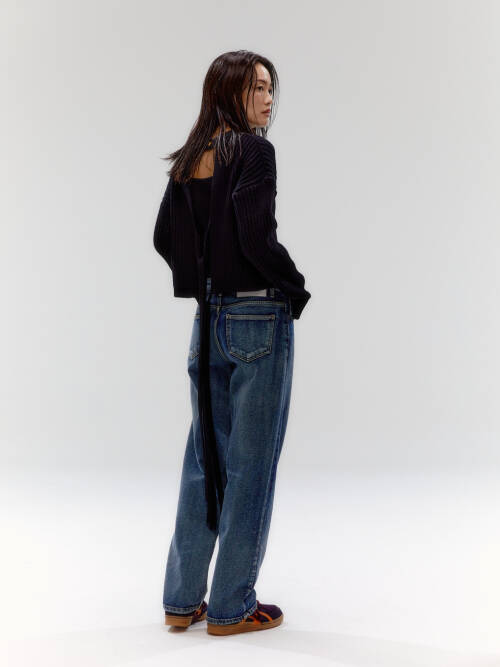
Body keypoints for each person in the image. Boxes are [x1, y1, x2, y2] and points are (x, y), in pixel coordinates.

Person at [153, 50, 311, 636]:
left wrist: (203, 282)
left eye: (270, 88)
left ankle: (181, 601)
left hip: (208, 318)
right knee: (250, 466)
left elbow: (164, 237)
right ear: (228, 93)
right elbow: (255, 234)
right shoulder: (253, 151)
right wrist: (293, 287)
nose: (268, 100)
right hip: (257, 319)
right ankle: (231, 606)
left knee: (205, 461)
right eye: (256, 88)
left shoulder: (190, 157)